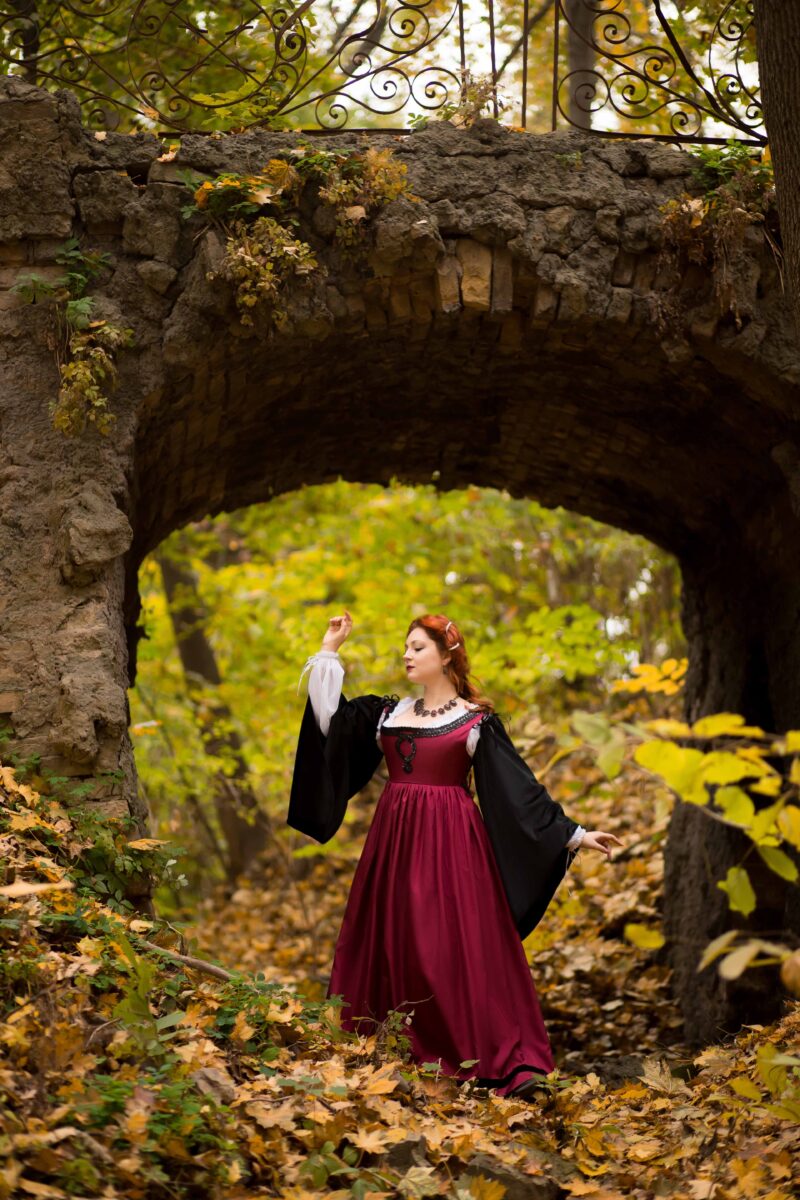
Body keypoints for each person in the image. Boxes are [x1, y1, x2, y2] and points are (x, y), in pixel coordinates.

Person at [288, 610, 622, 1100]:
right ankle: (389, 1046)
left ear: (446, 657)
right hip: (394, 845)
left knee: (450, 944)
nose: (406, 654)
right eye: (405, 647)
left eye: (418, 648)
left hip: (453, 847)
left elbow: (517, 790)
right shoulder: (387, 713)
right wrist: (330, 650)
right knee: (395, 936)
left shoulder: (475, 722)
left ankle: (480, 1053)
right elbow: (328, 726)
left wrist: (573, 834)